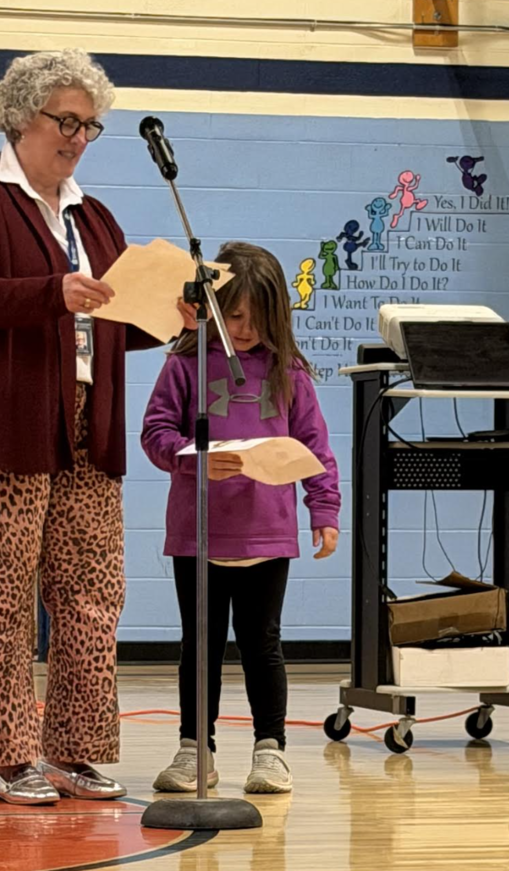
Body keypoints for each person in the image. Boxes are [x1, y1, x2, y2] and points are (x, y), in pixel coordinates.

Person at [0, 49, 189, 805]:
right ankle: (11, 756)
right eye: (64, 121)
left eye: (89, 125)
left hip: (83, 428)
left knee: (92, 592)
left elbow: (107, 319)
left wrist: (169, 319)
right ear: (19, 118)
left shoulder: (93, 217)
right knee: (0, 596)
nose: (77, 137)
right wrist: (51, 292)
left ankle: (75, 750)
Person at [140, 242, 341, 794]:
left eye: (256, 318)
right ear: (210, 307)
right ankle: (193, 751)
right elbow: (156, 434)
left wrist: (323, 509)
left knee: (262, 645)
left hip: (267, 535)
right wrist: (195, 459)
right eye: (232, 315)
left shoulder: (289, 372)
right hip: (198, 535)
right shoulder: (184, 363)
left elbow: (315, 447)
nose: (244, 328)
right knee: (198, 646)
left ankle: (270, 751)